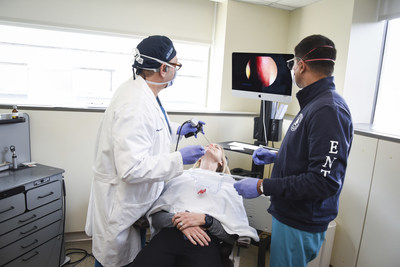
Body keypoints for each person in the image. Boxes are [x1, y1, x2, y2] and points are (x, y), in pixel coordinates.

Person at [85, 35, 207, 267]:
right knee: (115, 260)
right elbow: (131, 168)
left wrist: (181, 130)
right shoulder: (136, 104)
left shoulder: (139, 90)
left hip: (135, 202)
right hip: (121, 201)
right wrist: (179, 159)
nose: (177, 70)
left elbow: (152, 131)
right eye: (176, 65)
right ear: (164, 69)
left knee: (133, 255)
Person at [234, 34, 353, 267]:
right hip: (289, 213)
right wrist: (278, 156)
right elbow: (311, 155)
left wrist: (261, 186)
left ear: (301, 64)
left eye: (291, 65)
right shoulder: (314, 103)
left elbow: (323, 181)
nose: (293, 71)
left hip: (300, 220)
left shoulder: (328, 109)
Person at [130, 144, 259, 267]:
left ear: (221, 162)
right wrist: (181, 222)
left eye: (217, 147)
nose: (212, 145)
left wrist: (206, 220)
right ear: (199, 157)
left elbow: (230, 237)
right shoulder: (179, 177)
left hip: (204, 241)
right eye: (209, 145)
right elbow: (157, 219)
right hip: (169, 235)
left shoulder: (230, 186)